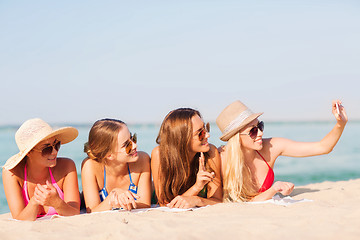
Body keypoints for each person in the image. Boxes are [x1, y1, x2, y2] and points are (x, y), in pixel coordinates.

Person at [216, 100, 347, 202]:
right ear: (237, 139)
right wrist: (274, 189)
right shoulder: (221, 158)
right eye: (253, 131)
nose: (260, 133)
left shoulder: (272, 146)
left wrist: (340, 124)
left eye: (260, 126)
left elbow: (322, 147)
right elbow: (243, 203)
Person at [2, 118, 80, 220]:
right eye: (46, 148)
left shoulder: (67, 167)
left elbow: (75, 213)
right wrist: (35, 201)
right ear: (29, 153)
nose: (54, 152)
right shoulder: (12, 174)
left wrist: (57, 203)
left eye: (56, 145)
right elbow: (19, 220)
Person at [151, 108, 222, 209]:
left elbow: (218, 200)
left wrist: (197, 200)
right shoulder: (160, 154)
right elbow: (165, 204)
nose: (207, 134)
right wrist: (196, 188)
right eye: (200, 133)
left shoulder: (210, 153)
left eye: (206, 128)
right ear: (182, 138)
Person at [81, 118, 151, 212]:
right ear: (109, 155)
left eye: (133, 138)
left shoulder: (142, 160)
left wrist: (124, 203)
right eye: (127, 145)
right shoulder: (90, 167)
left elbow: (145, 205)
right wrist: (112, 198)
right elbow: (92, 211)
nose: (135, 146)